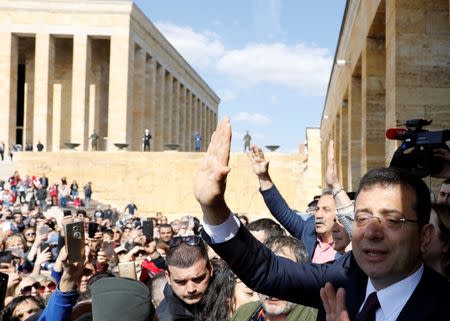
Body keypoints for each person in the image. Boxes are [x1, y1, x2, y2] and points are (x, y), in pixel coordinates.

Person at [194, 117, 450, 321]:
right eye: (361, 218)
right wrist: (214, 208)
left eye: (393, 220)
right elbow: (268, 271)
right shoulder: (344, 282)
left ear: (425, 236)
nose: (372, 232)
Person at [247, 143, 350, 262]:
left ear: (339, 215)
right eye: (317, 209)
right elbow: (281, 211)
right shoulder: (308, 231)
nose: (318, 215)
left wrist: (334, 184)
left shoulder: (350, 239)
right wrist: (263, 176)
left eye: (326, 210)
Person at [232, 236, 318, 321]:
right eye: (267, 274)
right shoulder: (242, 313)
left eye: (283, 276)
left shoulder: (316, 316)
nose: (273, 285)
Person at [156, 235, 213, 321]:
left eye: (198, 279)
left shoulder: (231, 293)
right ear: (168, 277)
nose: (191, 289)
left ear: (210, 270)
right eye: (180, 282)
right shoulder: (164, 317)